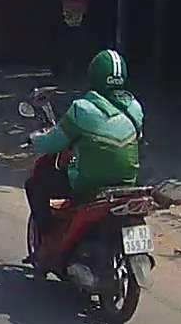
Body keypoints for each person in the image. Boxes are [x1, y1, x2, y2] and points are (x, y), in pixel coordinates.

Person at [25, 49, 144, 255]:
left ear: (93, 75)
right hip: (127, 183)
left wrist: (34, 139)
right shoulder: (135, 108)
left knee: (35, 185)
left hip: (87, 184)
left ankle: (49, 238)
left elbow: (52, 144)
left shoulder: (82, 109)